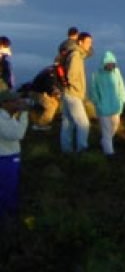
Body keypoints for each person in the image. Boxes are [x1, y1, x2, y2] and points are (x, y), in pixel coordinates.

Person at [89, 51, 125, 156]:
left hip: (116, 106)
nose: (110, 65)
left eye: (112, 63)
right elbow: (93, 90)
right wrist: (97, 102)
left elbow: (121, 87)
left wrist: (122, 100)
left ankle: (105, 143)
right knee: (106, 131)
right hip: (103, 108)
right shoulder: (96, 75)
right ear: (103, 63)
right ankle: (109, 153)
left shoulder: (117, 73)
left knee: (114, 126)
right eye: (108, 63)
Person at [60, 32, 93, 153]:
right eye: (88, 42)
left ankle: (66, 150)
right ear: (80, 42)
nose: (90, 45)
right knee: (83, 124)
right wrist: (79, 91)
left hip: (68, 93)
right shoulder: (76, 56)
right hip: (73, 94)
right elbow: (71, 76)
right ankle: (82, 149)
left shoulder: (75, 54)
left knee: (68, 123)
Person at [0, 90, 29, 221]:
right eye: (14, 101)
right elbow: (18, 134)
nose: (18, 103)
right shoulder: (1, 119)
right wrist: (24, 115)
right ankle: (8, 218)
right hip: (6, 159)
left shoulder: (8, 116)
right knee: (8, 189)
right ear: (4, 103)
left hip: (9, 157)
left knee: (10, 188)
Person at [25, 63, 63, 130]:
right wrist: (58, 94)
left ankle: (54, 118)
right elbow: (50, 86)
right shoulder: (51, 73)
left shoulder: (51, 70)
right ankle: (40, 125)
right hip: (37, 93)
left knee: (55, 103)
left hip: (40, 92)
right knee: (51, 106)